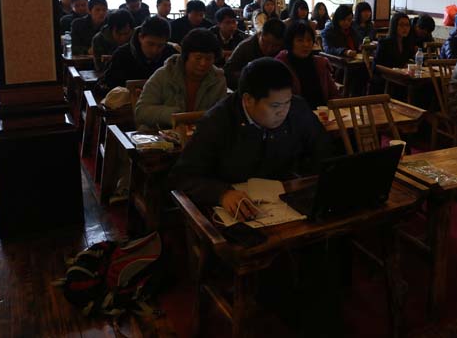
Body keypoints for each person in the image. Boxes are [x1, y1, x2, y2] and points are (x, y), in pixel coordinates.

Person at [168, 58, 339, 335]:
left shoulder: (296, 109)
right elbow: (181, 177)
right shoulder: (218, 121)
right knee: (278, 261)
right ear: (247, 100)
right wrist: (221, 193)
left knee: (331, 240)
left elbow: (323, 151)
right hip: (234, 212)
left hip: (282, 200)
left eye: (287, 103)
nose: (283, 112)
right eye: (275, 106)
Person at [135, 28, 226, 129]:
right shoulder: (165, 74)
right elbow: (141, 111)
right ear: (186, 56)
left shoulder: (218, 79)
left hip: (201, 134)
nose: (203, 63)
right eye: (198, 58)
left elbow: (222, 114)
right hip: (161, 134)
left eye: (208, 59)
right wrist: (176, 115)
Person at [97, 16, 177, 93]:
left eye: (160, 46)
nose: (154, 50)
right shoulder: (122, 55)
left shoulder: (171, 56)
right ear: (140, 37)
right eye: (150, 44)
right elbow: (104, 85)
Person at [275, 21, 339, 109]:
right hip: (294, 115)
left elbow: (334, 93)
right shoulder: (281, 66)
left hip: (323, 113)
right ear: (290, 42)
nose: (306, 44)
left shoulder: (320, 63)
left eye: (309, 40)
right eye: (300, 40)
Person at [223, 18, 286, 90]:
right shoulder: (245, 47)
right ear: (259, 34)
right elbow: (227, 73)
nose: (269, 49)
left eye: (276, 46)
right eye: (265, 42)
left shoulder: (285, 50)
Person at [371, 12, 416, 94]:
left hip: (401, 78)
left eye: (407, 25)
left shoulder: (407, 43)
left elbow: (407, 61)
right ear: (394, 26)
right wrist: (394, 71)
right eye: (401, 25)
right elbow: (375, 66)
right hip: (385, 80)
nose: (405, 28)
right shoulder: (384, 43)